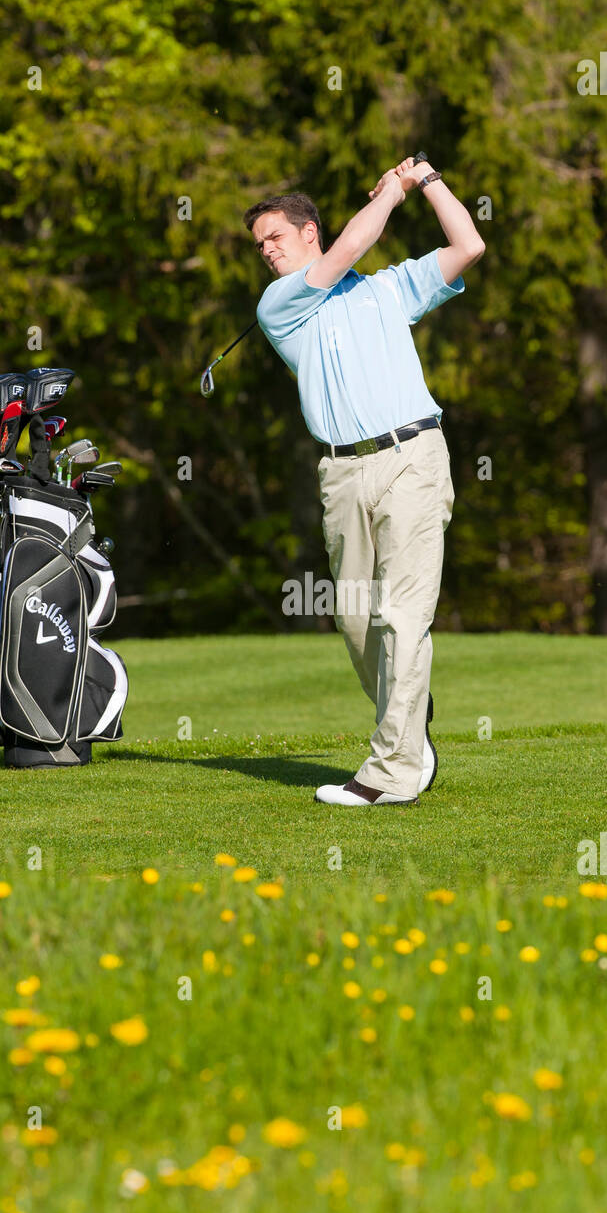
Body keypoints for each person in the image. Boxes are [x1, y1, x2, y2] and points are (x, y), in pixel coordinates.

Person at [243, 156, 485, 805]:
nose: (266, 250)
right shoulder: (280, 306)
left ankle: (390, 775)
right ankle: (409, 724)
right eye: (259, 243)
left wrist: (427, 182)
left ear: (308, 231)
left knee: (401, 617)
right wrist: (391, 192)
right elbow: (354, 242)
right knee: (356, 623)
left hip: (413, 458)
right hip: (342, 473)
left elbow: (469, 243)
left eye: (276, 237)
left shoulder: (387, 289)